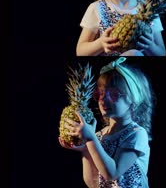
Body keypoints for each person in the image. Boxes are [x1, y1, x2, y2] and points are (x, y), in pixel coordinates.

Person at [59, 57, 155, 187]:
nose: (103, 99)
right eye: (100, 93)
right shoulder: (99, 136)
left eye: (114, 94)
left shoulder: (137, 135)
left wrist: (90, 140)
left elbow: (112, 173)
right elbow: (93, 183)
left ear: (133, 99)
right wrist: (85, 150)